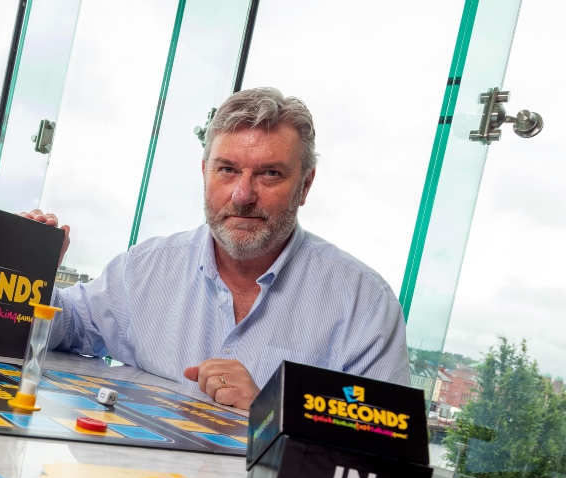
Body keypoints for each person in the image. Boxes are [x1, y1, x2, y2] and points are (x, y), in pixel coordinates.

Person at [23, 87, 408, 409]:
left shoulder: (364, 303)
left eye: (269, 174)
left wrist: (271, 412)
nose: (242, 195)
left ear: (305, 185)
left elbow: (384, 447)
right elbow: (67, 324)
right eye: (227, 170)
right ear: (204, 171)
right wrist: (24, 273)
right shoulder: (146, 268)